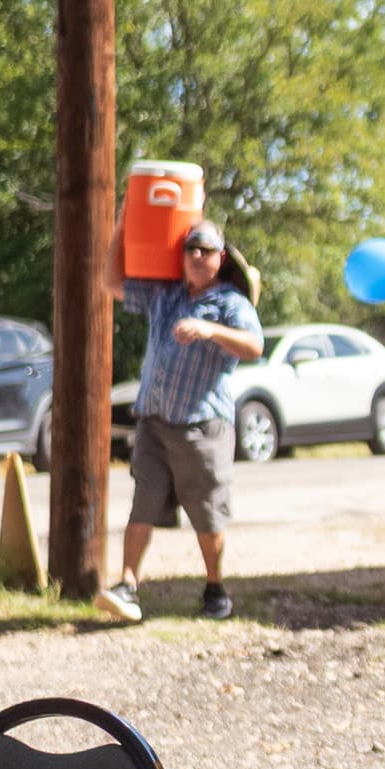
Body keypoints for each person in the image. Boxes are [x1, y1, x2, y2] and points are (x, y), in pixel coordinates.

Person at [100, 215, 266, 623]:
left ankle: (215, 587)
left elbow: (254, 345)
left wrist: (210, 330)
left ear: (220, 258)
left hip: (202, 426)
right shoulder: (166, 294)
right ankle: (127, 585)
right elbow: (110, 282)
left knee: (207, 511)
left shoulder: (231, 303)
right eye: (190, 248)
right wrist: (123, 228)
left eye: (204, 249)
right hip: (154, 422)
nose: (195, 255)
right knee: (143, 503)